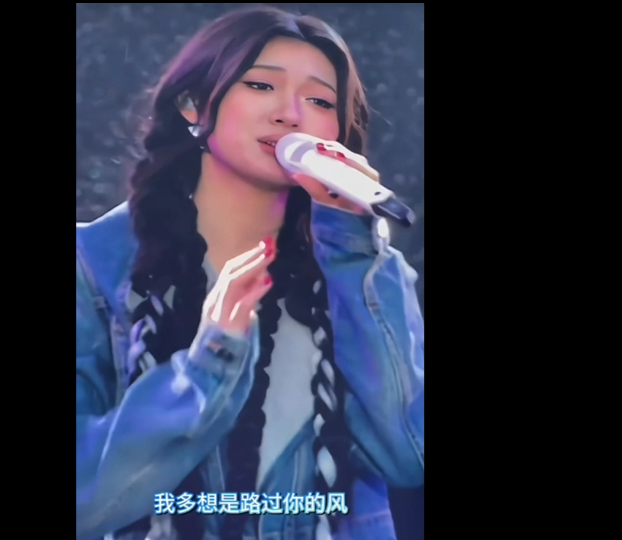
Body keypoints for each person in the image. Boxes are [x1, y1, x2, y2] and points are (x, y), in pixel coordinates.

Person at [76, 6, 424, 540]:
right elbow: (86, 499)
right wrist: (211, 362)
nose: (291, 114)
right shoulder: (93, 262)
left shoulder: (370, 274)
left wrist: (353, 252)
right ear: (193, 104)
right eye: (261, 85)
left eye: (320, 101)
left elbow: (408, 456)